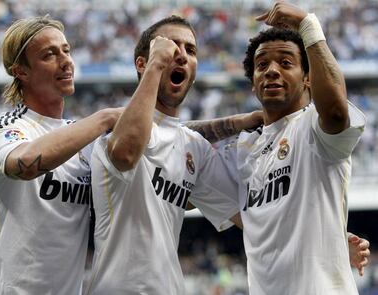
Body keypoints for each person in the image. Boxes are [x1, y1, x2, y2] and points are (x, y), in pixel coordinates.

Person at [187, 2, 367, 294]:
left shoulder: (314, 129)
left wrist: (308, 24)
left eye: (285, 63)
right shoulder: (244, 148)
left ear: (308, 77)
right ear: (253, 81)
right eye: (262, 65)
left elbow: (335, 111)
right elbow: (173, 140)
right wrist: (237, 122)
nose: (271, 70)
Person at [85, 15, 263, 295]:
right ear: (142, 64)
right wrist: (156, 64)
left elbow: (252, 216)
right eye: (169, 46)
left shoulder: (194, 147)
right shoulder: (113, 129)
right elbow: (128, 153)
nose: (181, 55)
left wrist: (331, 239)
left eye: (190, 50)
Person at [0, 16, 121, 294]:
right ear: (21, 71)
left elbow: (167, 141)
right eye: (49, 55)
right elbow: (26, 163)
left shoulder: (81, 138)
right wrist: (105, 118)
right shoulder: (7, 127)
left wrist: (230, 125)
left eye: (66, 50)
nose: (66, 61)